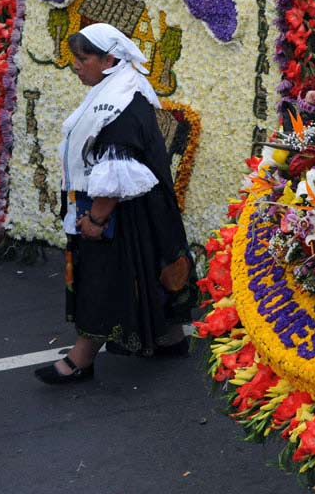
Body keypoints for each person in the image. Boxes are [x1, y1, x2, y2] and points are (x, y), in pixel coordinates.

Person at [34, 23, 197, 384]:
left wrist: (94, 219)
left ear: (109, 59)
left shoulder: (117, 106)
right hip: (144, 212)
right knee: (148, 272)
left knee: (101, 281)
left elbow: (114, 175)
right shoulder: (122, 89)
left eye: (83, 58)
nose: (76, 65)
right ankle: (168, 338)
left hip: (120, 218)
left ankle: (82, 358)